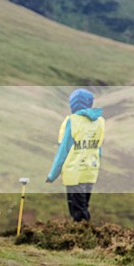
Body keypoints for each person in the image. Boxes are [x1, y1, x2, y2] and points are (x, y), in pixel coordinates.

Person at [46, 89, 105, 222]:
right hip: (90, 171)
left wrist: (52, 174)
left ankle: (81, 238)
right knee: (83, 206)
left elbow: (63, 151)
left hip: (74, 172)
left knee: (78, 211)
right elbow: (98, 148)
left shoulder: (72, 122)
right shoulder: (99, 122)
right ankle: (83, 237)